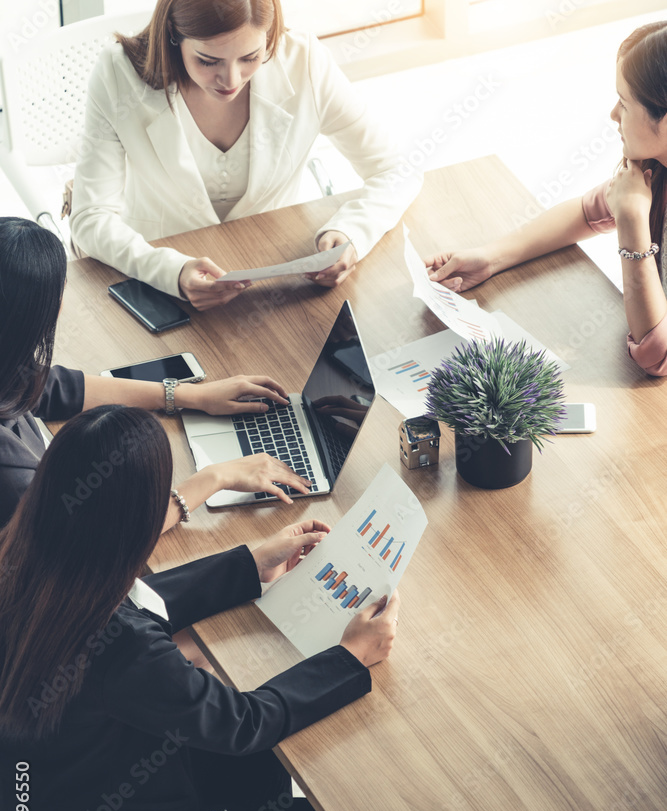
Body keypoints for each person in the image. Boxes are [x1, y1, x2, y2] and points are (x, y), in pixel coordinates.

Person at [0, 404, 399, 811]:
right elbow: (241, 722)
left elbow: (123, 598)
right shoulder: (119, 649)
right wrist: (350, 658)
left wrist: (248, 565)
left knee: (268, 774)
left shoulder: (23, 563)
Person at [69, 0, 422, 310]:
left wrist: (350, 235)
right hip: (160, 292)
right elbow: (90, 218)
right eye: (208, 61)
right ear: (174, 35)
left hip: (276, 287)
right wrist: (170, 272)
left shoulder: (305, 62)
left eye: (251, 57)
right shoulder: (118, 74)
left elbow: (396, 169)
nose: (231, 79)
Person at [0, 216, 311, 530]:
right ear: (30, 315)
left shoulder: (7, 366)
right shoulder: (11, 475)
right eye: (60, 292)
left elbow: (50, 386)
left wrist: (191, 395)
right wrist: (215, 477)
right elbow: (96, 540)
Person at [425, 21, 667, 377]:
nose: (613, 115)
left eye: (624, 103)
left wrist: (631, 221)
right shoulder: (655, 169)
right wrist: (491, 257)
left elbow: (655, 355)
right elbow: (587, 213)